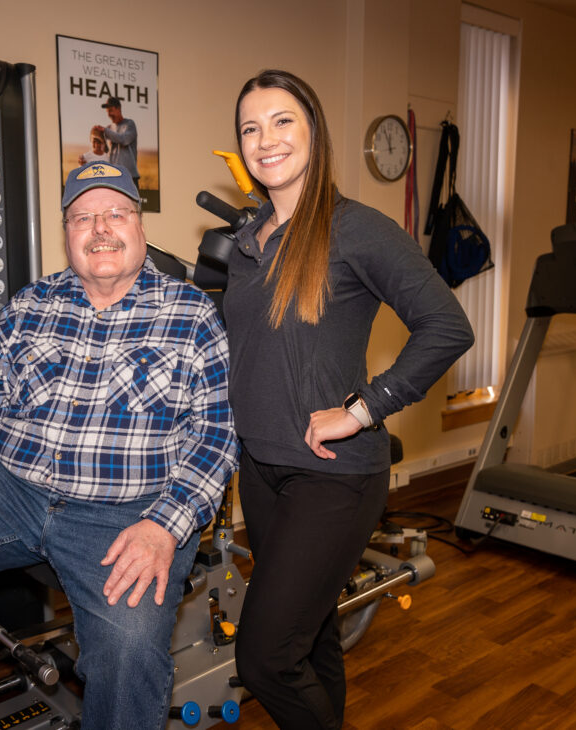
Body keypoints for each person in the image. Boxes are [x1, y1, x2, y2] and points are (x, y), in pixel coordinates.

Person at [0, 160, 239, 730]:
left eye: (114, 213)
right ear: (66, 232)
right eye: (82, 217)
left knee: (127, 646)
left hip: (127, 513)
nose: (99, 229)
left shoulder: (189, 314)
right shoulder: (29, 307)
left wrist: (165, 526)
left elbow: (214, 438)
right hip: (13, 487)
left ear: (140, 226)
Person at [224, 70, 474, 729]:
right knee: (311, 640)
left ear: (314, 133)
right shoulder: (247, 244)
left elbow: (447, 326)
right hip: (261, 469)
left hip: (332, 475)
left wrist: (363, 408)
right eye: (251, 127)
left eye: (282, 122)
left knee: (265, 659)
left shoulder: (357, 229)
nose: (265, 139)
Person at [93, 96, 139, 187]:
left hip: (129, 178)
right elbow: (105, 151)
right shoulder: (109, 128)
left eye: (111, 110)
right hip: (113, 178)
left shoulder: (129, 124)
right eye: (107, 112)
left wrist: (105, 131)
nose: (109, 114)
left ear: (118, 108)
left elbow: (124, 140)